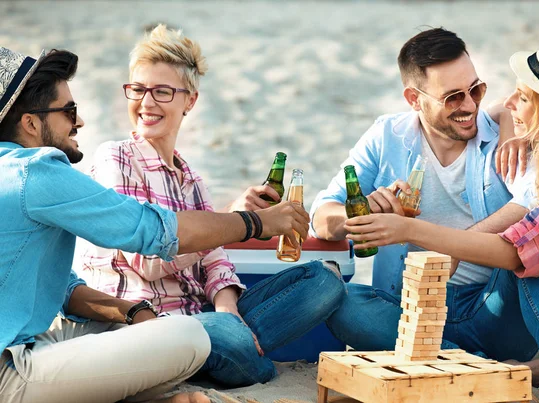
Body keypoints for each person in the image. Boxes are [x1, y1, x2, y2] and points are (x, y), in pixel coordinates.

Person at [0, 46, 309, 403]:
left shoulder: (13, 174)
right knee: (191, 337)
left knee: (314, 281)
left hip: (28, 340)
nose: (79, 122)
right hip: (9, 371)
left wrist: (136, 312)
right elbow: (151, 232)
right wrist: (255, 222)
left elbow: (64, 287)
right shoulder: (35, 172)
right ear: (31, 123)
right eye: (69, 111)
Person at [310, 28, 539, 398]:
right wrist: (359, 215)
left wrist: (450, 246)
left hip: (493, 306)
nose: (470, 105)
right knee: (344, 305)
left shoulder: (511, 141)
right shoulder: (386, 137)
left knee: (536, 256)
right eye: (453, 97)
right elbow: (322, 215)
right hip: (411, 309)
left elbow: (529, 208)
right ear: (414, 99)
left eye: (476, 90)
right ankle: (482, 368)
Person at [77, 25, 346, 388]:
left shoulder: (191, 177)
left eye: (162, 91)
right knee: (226, 338)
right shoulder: (116, 159)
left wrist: (228, 309)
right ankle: (241, 360)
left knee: (324, 278)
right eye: (138, 89)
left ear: (190, 101)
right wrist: (235, 221)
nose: (146, 102)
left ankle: (225, 353)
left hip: (199, 319)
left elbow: (216, 261)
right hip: (144, 327)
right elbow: (149, 261)